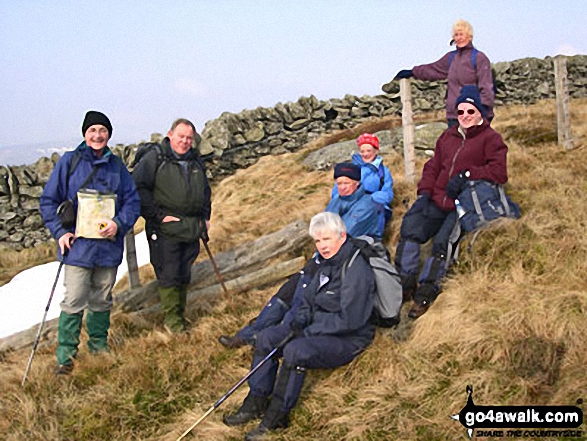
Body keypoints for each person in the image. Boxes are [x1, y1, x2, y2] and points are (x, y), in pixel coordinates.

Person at [223, 212, 376, 440]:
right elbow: (307, 300)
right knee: (266, 337)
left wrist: (306, 331)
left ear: (342, 236)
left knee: (295, 351)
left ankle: (277, 416)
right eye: (317, 241)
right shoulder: (325, 263)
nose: (322, 246)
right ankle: (256, 400)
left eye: (327, 239)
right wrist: (297, 323)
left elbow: (350, 319)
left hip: (349, 337)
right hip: (315, 328)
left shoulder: (356, 268)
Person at [218, 162, 381, 348]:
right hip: (329, 256)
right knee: (289, 288)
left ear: (357, 183)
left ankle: (280, 334)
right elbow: (324, 229)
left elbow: (340, 235)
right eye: (338, 183)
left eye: (346, 183)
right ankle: (248, 334)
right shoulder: (337, 201)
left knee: (304, 289)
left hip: (349, 257)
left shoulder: (366, 205)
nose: (342, 187)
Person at [40, 110, 141, 375]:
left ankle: (98, 348)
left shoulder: (117, 166)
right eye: (92, 131)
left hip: (108, 248)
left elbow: (132, 201)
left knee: (102, 299)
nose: (98, 135)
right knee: (73, 299)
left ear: (109, 134)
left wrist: (118, 224)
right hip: (77, 249)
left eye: (102, 131)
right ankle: (66, 356)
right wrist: (60, 233)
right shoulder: (69, 162)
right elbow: (49, 201)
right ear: (85, 134)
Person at [394, 85, 508, 319]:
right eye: (461, 112)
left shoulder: (491, 139)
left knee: (443, 243)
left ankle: (424, 295)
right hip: (436, 198)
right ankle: (405, 285)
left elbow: (499, 172)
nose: (465, 116)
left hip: (464, 203)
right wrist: (425, 192)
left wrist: (467, 175)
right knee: (410, 227)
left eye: (470, 111)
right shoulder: (448, 136)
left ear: (480, 112)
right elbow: (433, 165)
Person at [132, 119, 212, 333]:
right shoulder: (155, 158)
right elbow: (138, 189)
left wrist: (205, 217)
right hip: (164, 229)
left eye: (189, 138)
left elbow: (205, 191)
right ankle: (173, 322)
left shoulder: (195, 161)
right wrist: (158, 217)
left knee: (184, 271)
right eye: (181, 137)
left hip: (191, 226)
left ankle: (180, 314)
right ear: (170, 134)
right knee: (169, 273)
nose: (185, 142)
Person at [394, 19, 495, 127]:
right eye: (456, 35)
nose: (458, 38)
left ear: (470, 37)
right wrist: (412, 72)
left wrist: (484, 111)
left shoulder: (479, 58)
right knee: (454, 144)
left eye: (461, 34)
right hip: (454, 115)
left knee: (475, 144)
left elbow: (486, 86)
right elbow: (433, 69)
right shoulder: (451, 58)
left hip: (473, 115)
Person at [331, 132, 394, 233]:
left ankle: (373, 242)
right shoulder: (349, 169)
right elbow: (336, 191)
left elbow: (388, 193)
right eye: (362, 151)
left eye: (369, 150)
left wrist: (372, 199)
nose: (365, 154)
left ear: (376, 151)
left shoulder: (383, 171)